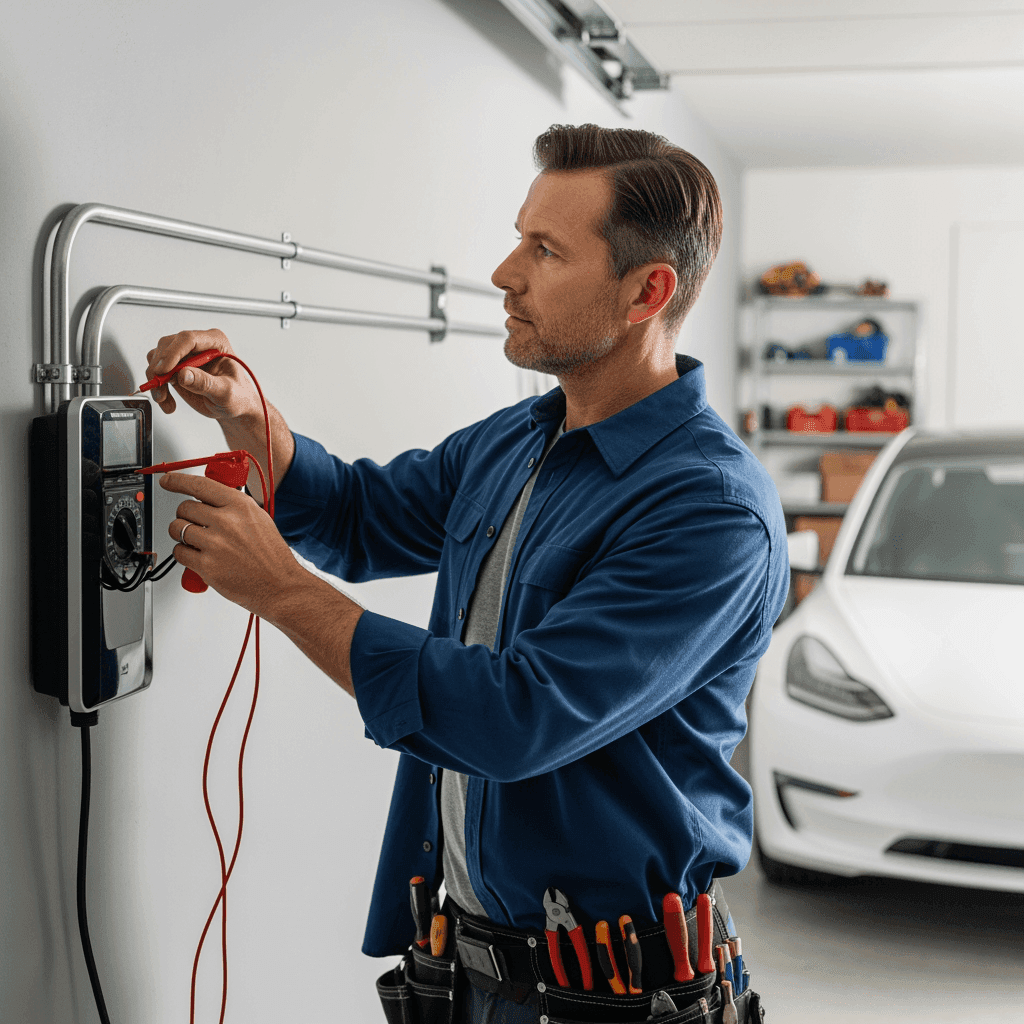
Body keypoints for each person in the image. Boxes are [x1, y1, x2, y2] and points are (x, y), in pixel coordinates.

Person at [146, 123, 788, 1024]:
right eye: (520, 237)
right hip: (469, 971)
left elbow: (510, 716)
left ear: (648, 291)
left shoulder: (712, 512)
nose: (504, 272)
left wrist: (281, 591)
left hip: (617, 997)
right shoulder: (520, 439)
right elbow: (360, 516)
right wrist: (253, 419)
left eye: (544, 250)